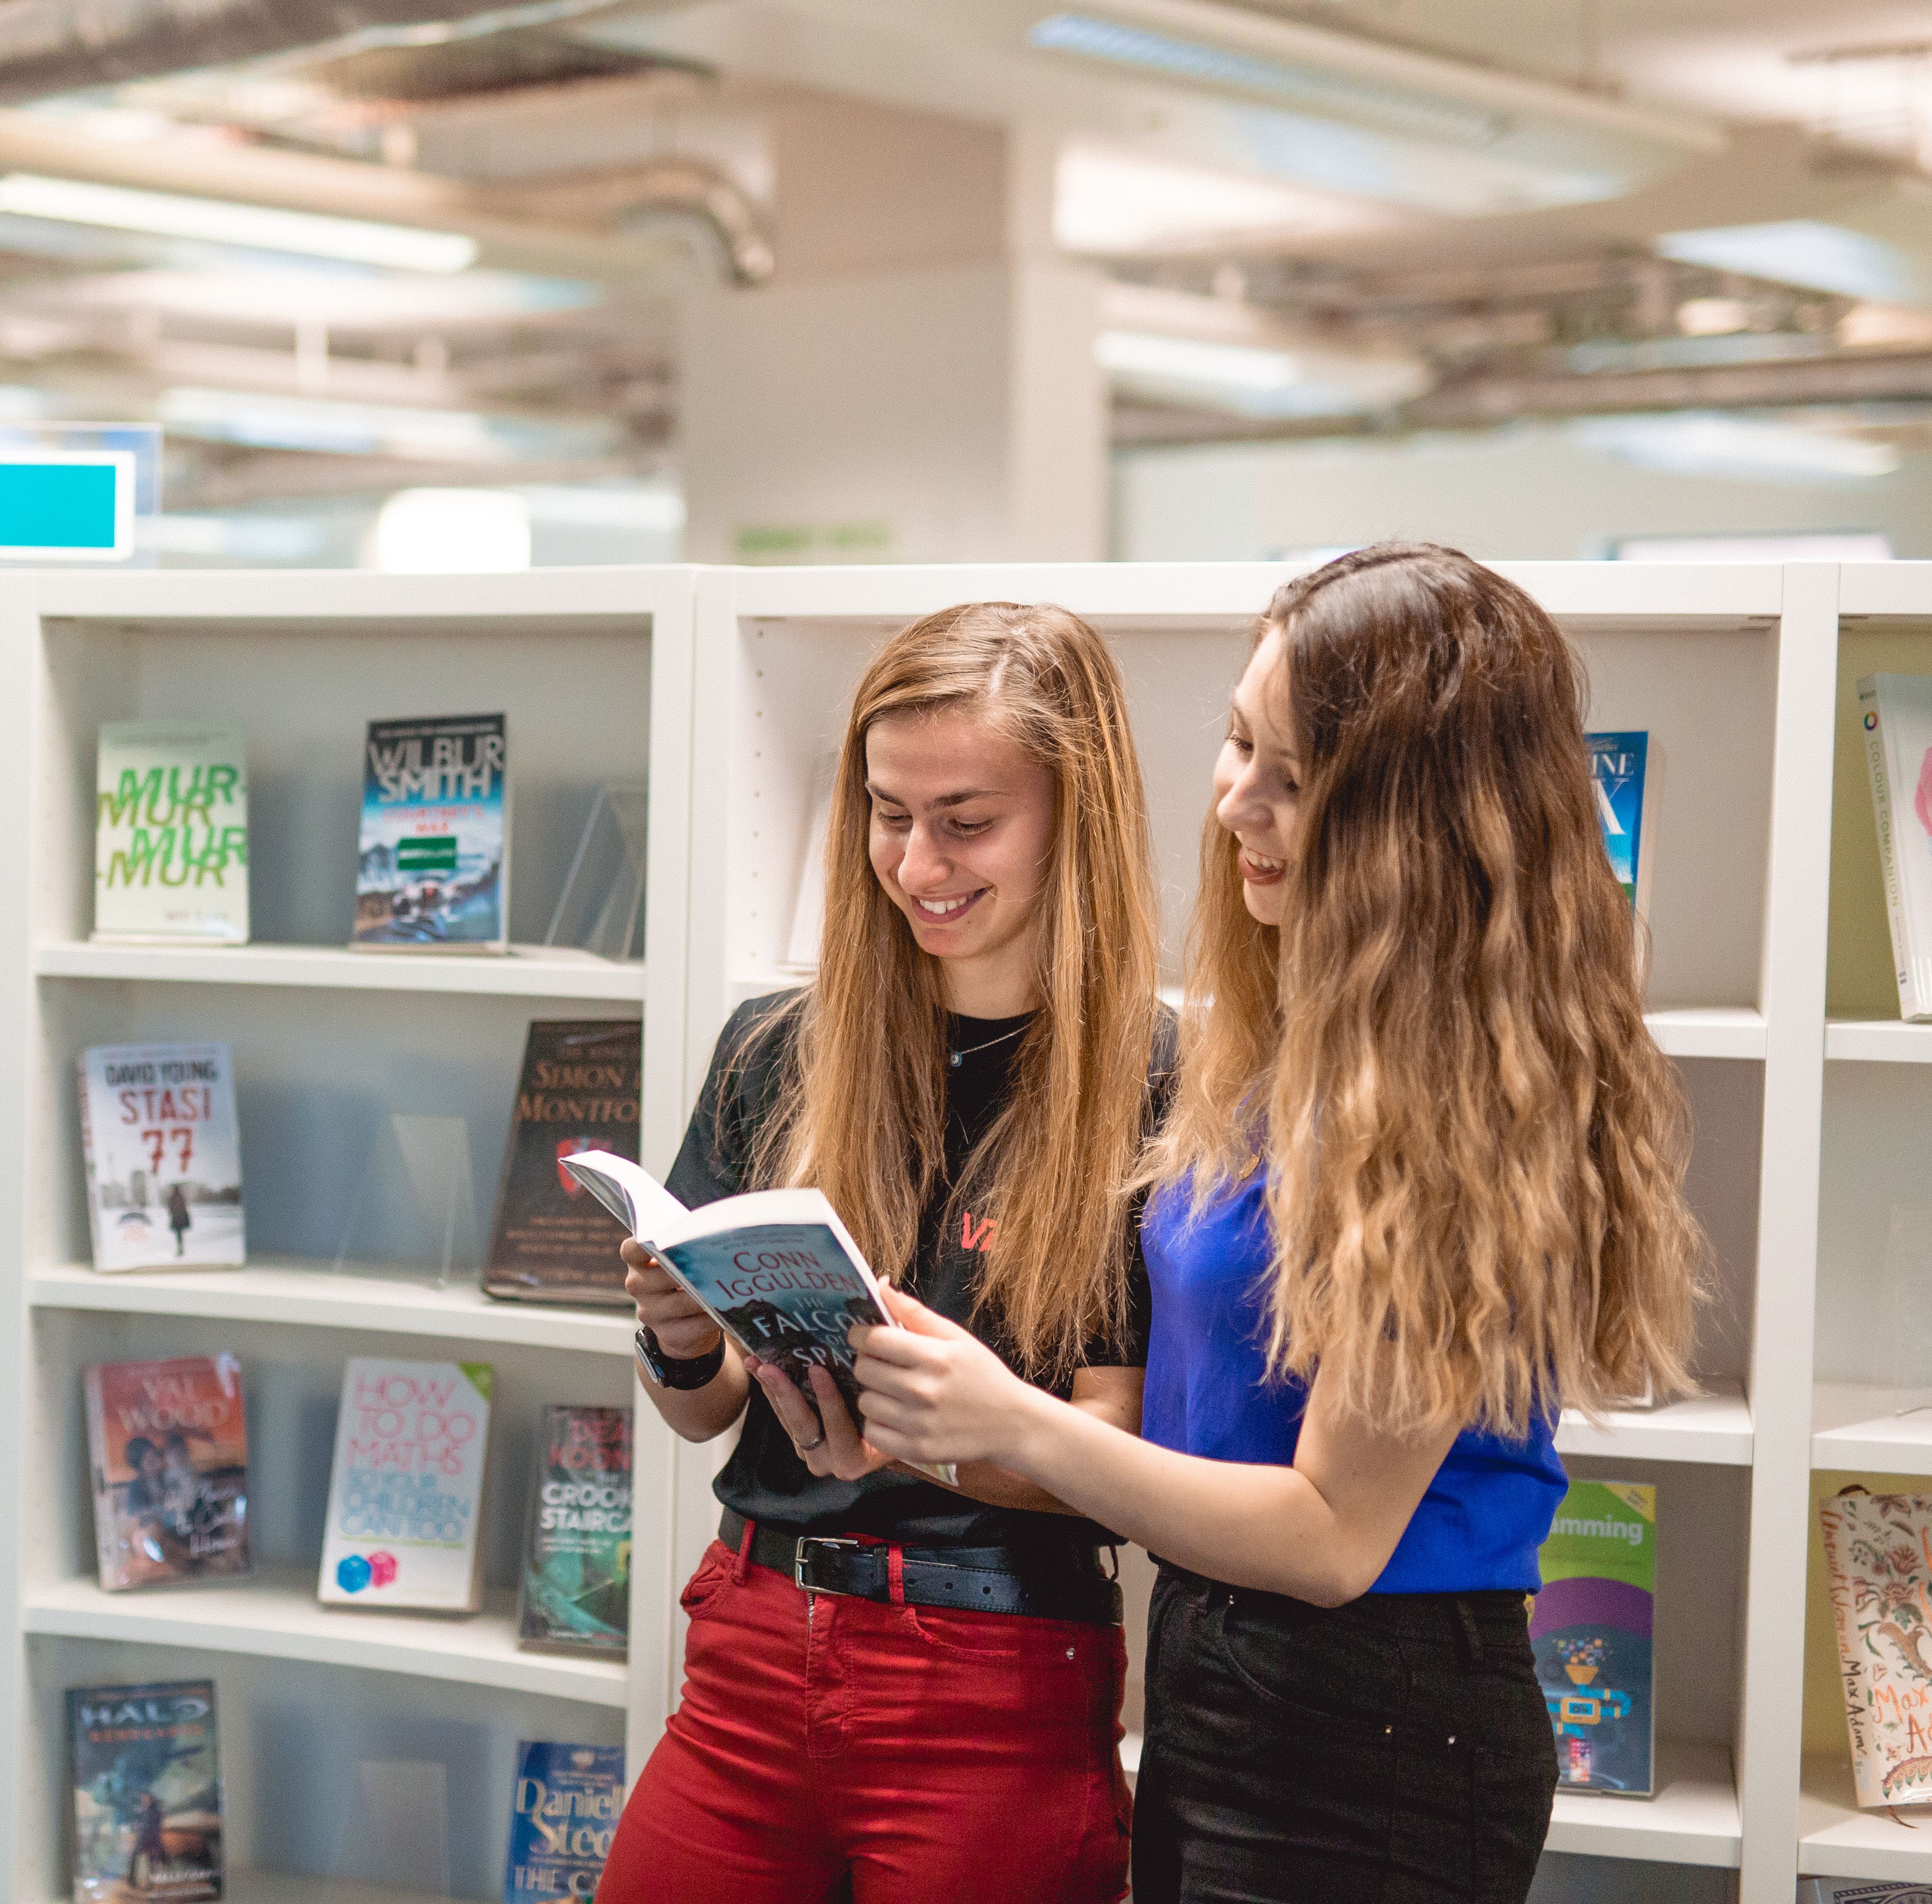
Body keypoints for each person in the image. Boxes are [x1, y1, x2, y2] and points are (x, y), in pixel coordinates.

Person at [846, 544, 1703, 1903]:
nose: (1239, 799)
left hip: (1376, 1722)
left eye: (1295, 777)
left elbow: (1328, 1534)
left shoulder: (1456, 1097)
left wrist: (1014, 1423)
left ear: (1418, 820)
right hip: (1222, 1674)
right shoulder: (1298, 1042)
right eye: (1240, 743)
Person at [598, 602, 1166, 1904]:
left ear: (1075, 817)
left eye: (967, 820)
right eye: (885, 812)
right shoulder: (774, 1048)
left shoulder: (1157, 1085)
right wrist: (682, 1339)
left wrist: (970, 1431)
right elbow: (704, 1418)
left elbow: (1126, 1457)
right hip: (749, 1636)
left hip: (994, 1674)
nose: (917, 864)